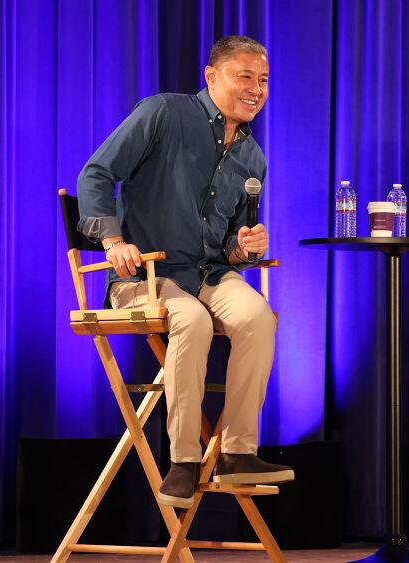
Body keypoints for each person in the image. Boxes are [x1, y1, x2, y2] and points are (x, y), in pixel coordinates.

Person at [76, 35, 293, 509]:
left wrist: (245, 247)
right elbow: (95, 174)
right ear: (211, 77)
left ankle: (237, 453)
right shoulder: (163, 113)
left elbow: (232, 242)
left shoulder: (252, 156)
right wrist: (113, 241)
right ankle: (183, 459)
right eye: (245, 77)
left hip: (210, 276)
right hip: (145, 278)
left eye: (263, 80)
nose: (256, 88)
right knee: (190, 319)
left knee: (258, 316)